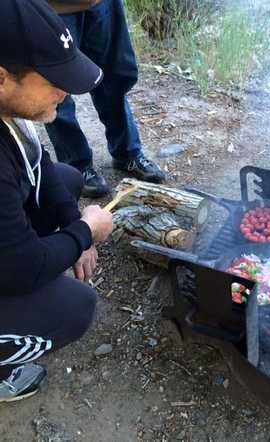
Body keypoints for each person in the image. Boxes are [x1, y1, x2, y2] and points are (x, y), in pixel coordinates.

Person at [0, 0, 114, 402]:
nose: (65, 93)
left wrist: (72, 223)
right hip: (11, 266)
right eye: (52, 80)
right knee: (73, 308)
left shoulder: (8, 107)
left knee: (64, 180)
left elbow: (39, 160)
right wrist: (83, 233)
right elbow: (21, 268)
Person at [44, 0, 165, 198]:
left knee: (114, 78)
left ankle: (128, 154)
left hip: (101, 4)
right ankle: (77, 165)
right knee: (55, 89)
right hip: (52, 6)